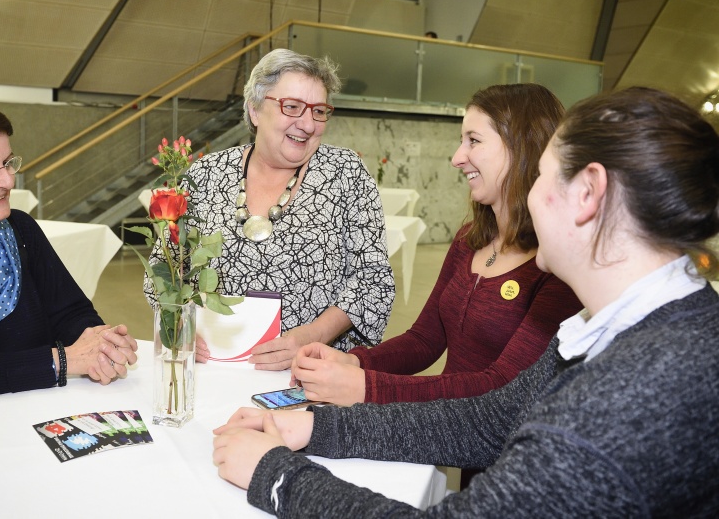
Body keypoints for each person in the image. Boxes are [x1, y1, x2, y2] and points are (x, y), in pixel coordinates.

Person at [212, 86, 719, 516]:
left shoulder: (622, 399)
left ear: (588, 192)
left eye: (541, 175)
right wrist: (317, 426)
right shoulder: (644, 325)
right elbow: (492, 419)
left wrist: (275, 474)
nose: (532, 193)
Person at [289, 84, 581, 406]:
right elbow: (424, 340)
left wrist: (366, 386)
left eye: (474, 140)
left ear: (521, 147)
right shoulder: (469, 240)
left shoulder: (558, 264)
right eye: (461, 141)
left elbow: (502, 386)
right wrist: (354, 362)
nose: (457, 158)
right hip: (443, 430)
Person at [146, 49, 394, 371]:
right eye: (291, 107)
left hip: (308, 372)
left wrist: (312, 336)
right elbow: (163, 266)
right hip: (212, 367)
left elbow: (372, 280)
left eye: (319, 111)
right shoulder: (206, 173)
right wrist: (177, 324)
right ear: (255, 110)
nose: (307, 124)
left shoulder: (345, 172)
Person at [0, 90, 139, 412]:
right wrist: (59, 361)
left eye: (7, 163)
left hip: (38, 414)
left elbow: (70, 312)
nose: (7, 180)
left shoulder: (21, 229)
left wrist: (102, 342)